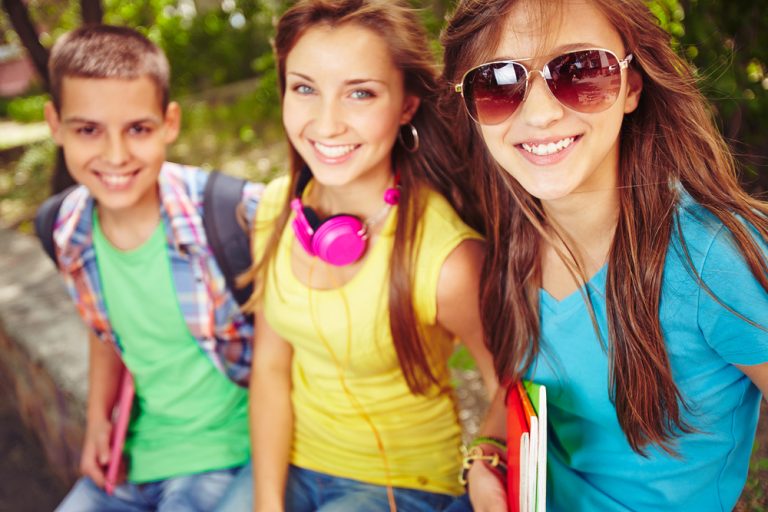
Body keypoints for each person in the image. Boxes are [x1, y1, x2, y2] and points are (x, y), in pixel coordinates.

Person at [441, 0, 768, 510]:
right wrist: (486, 457)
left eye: (579, 70)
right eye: (498, 81)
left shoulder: (713, 259)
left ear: (633, 86)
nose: (542, 112)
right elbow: (517, 392)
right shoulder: (514, 235)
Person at [226, 1, 497, 511]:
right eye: (304, 88)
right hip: (290, 464)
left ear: (407, 105)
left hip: (401, 483)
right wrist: (266, 501)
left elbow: (507, 382)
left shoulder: (447, 258)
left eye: (360, 93)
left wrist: (487, 458)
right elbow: (270, 369)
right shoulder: (273, 209)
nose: (326, 124)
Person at [42, 25, 262, 511]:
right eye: (88, 129)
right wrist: (98, 420)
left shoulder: (234, 213)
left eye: (137, 129)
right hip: (132, 459)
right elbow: (106, 331)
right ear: (55, 124)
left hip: (228, 458)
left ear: (169, 122)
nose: (116, 155)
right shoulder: (68, 231)